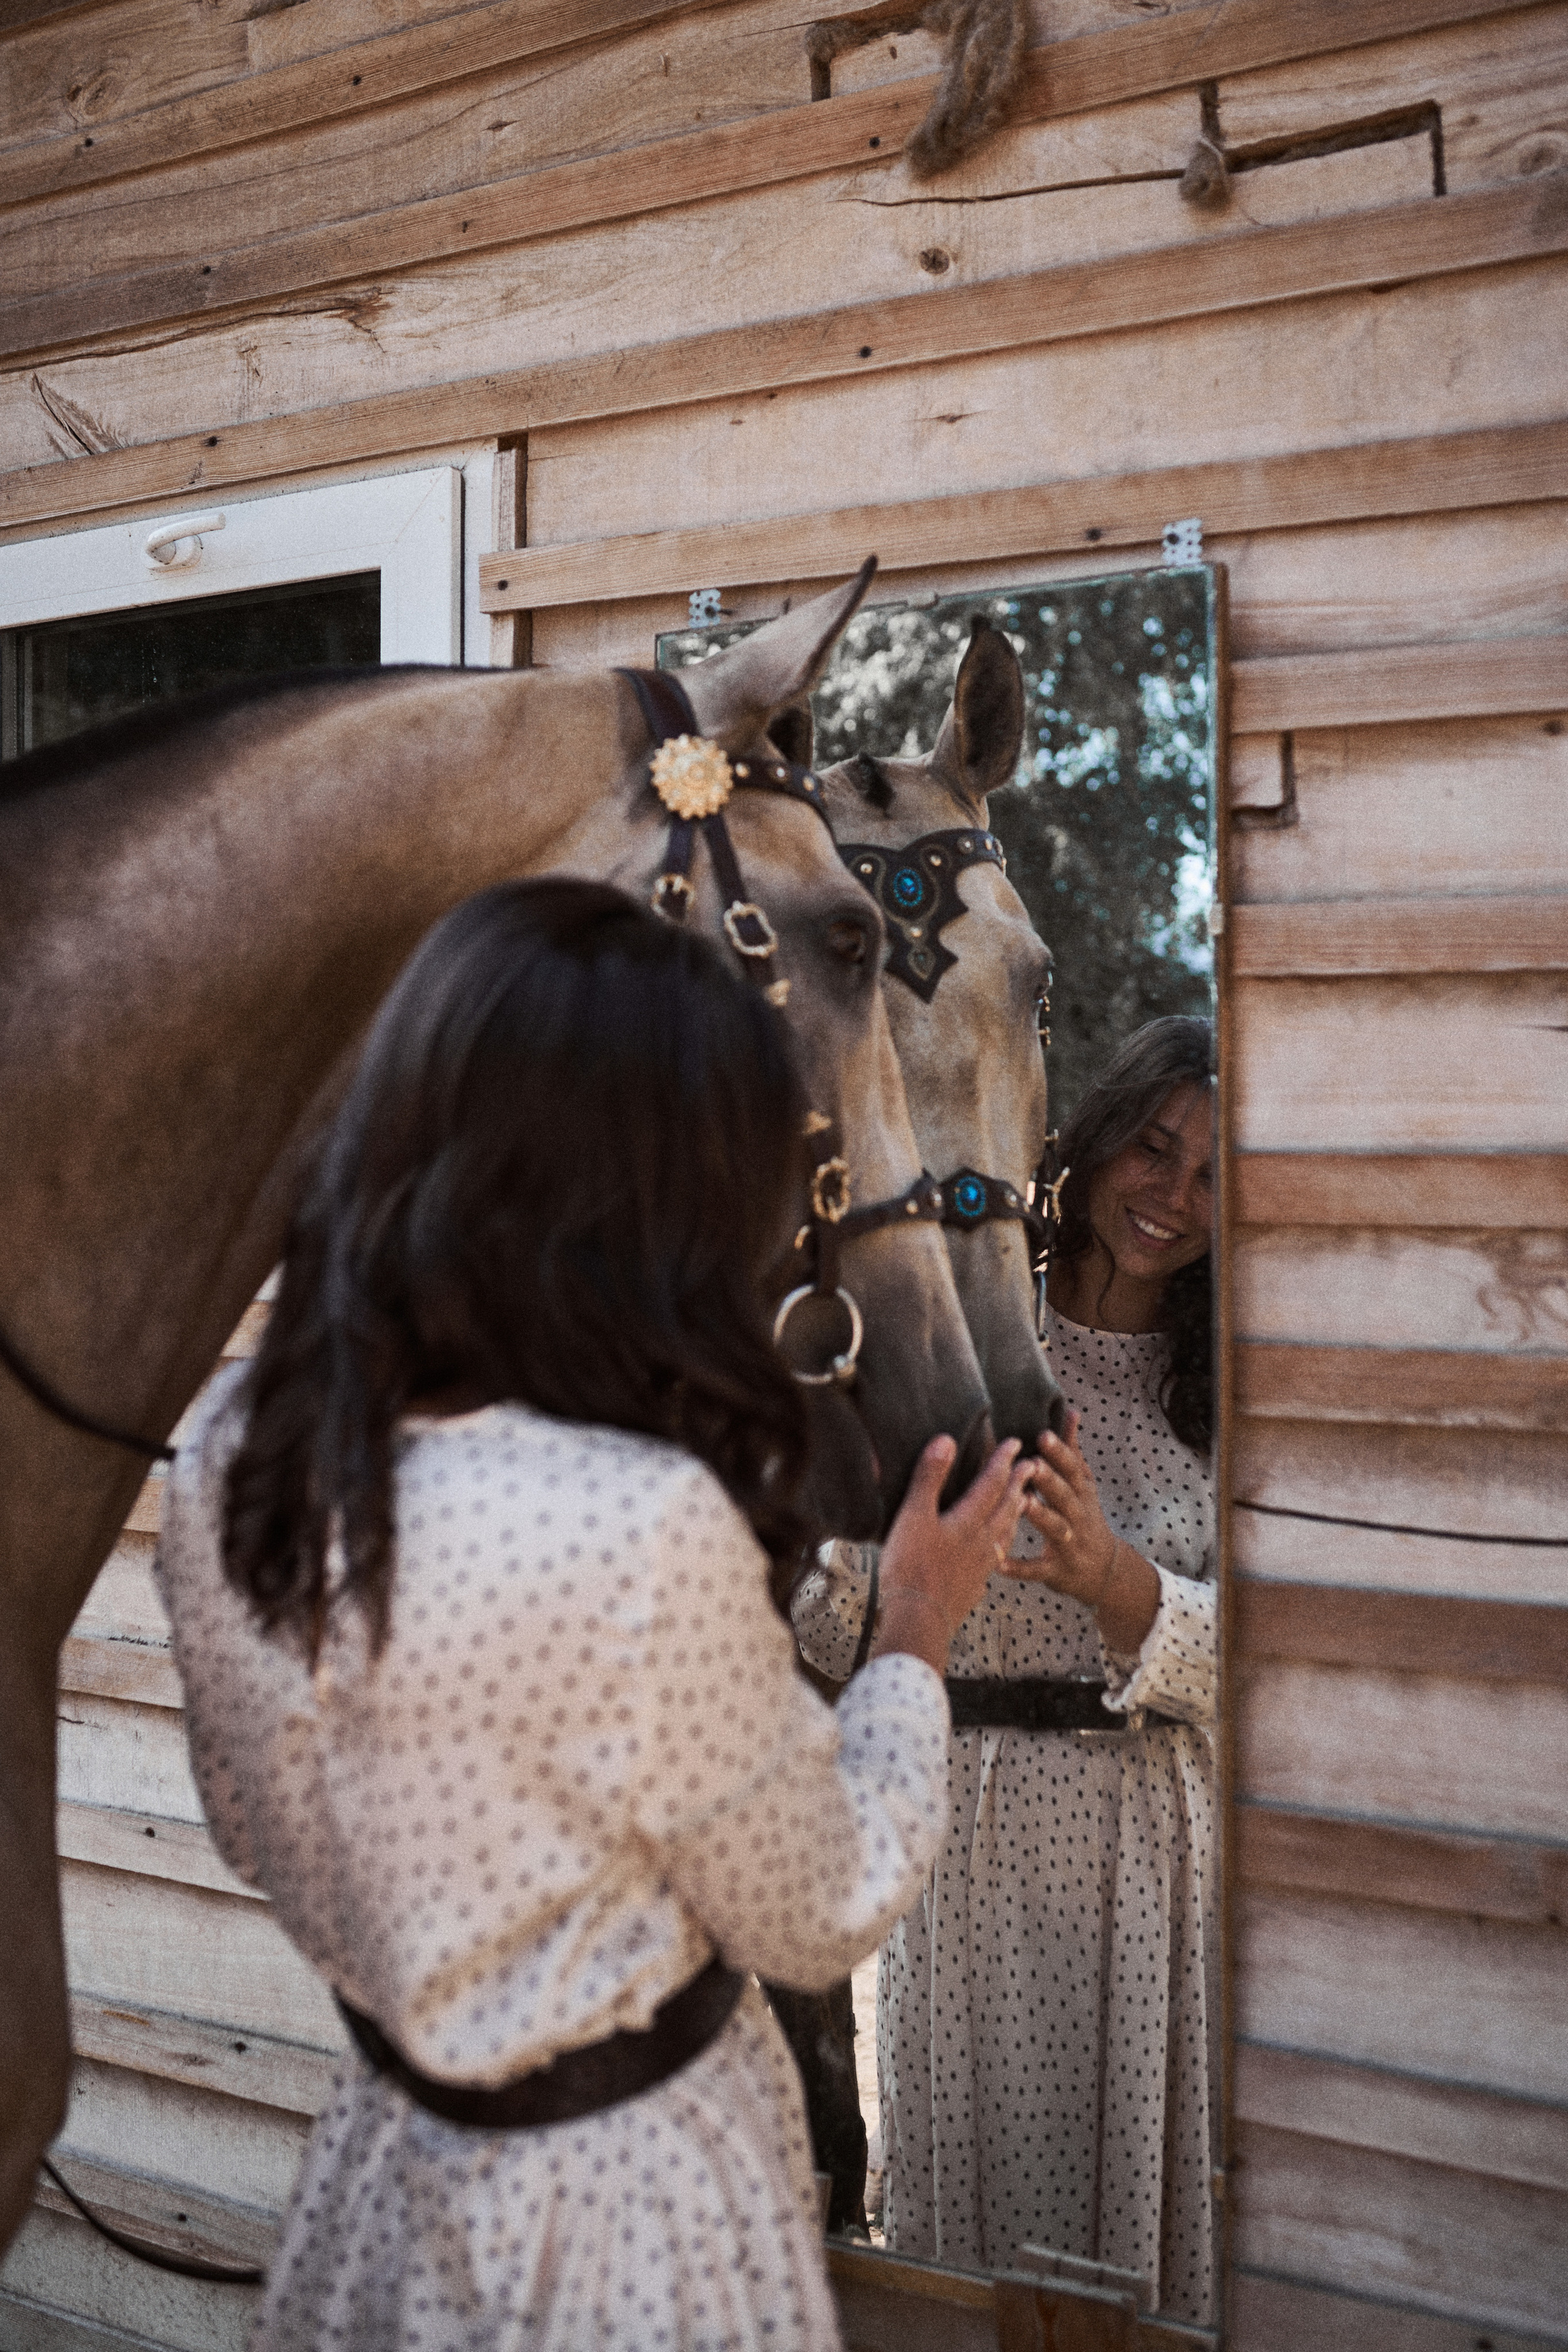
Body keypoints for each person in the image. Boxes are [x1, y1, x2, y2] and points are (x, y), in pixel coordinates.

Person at [154, 878, 1035, 2352]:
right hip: (622, 2213)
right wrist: (911, 1637)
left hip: (379, 2175)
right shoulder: (633, 1527)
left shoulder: (236, 1447)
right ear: (653, 1200)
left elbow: (260, 1826)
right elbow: (818, 1909)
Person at [794, 1014, 1218, 2321]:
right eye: (1152, 1149)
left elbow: (1280, 1666)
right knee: (965, 2233)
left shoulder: (1241, 1385)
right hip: (960, 1831)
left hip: (1143, 1855)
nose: (1172, 1196)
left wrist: (1115, 1581)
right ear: (1090, 1145)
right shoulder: (964, 1344)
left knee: (1133, 2231)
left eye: (1213, 1176)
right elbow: (831, 1632)